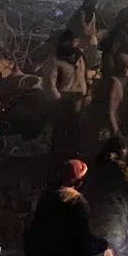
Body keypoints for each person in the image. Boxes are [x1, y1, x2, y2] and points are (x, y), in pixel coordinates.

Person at [44, 29, 90, 161]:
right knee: (60, 134)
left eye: (76, 41)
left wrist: (86, 91)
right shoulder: (55, 60)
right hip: (63, 104)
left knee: (76, 132)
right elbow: (49, 85)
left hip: (79, 101)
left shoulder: (80, 57)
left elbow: (85, 76)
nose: (74, 44)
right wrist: (59, 99)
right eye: (71, 42)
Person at [87, 53, 128, 142]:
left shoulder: (119, 80)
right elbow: (111, 111)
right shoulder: (115, 83)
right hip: (106, 129)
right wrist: (117, 133)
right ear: (125, 69)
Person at [67, 0, 100, 68]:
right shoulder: (92, 14)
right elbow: (91, 28)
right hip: (85, 39)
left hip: (78, 39)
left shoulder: (80, 12)